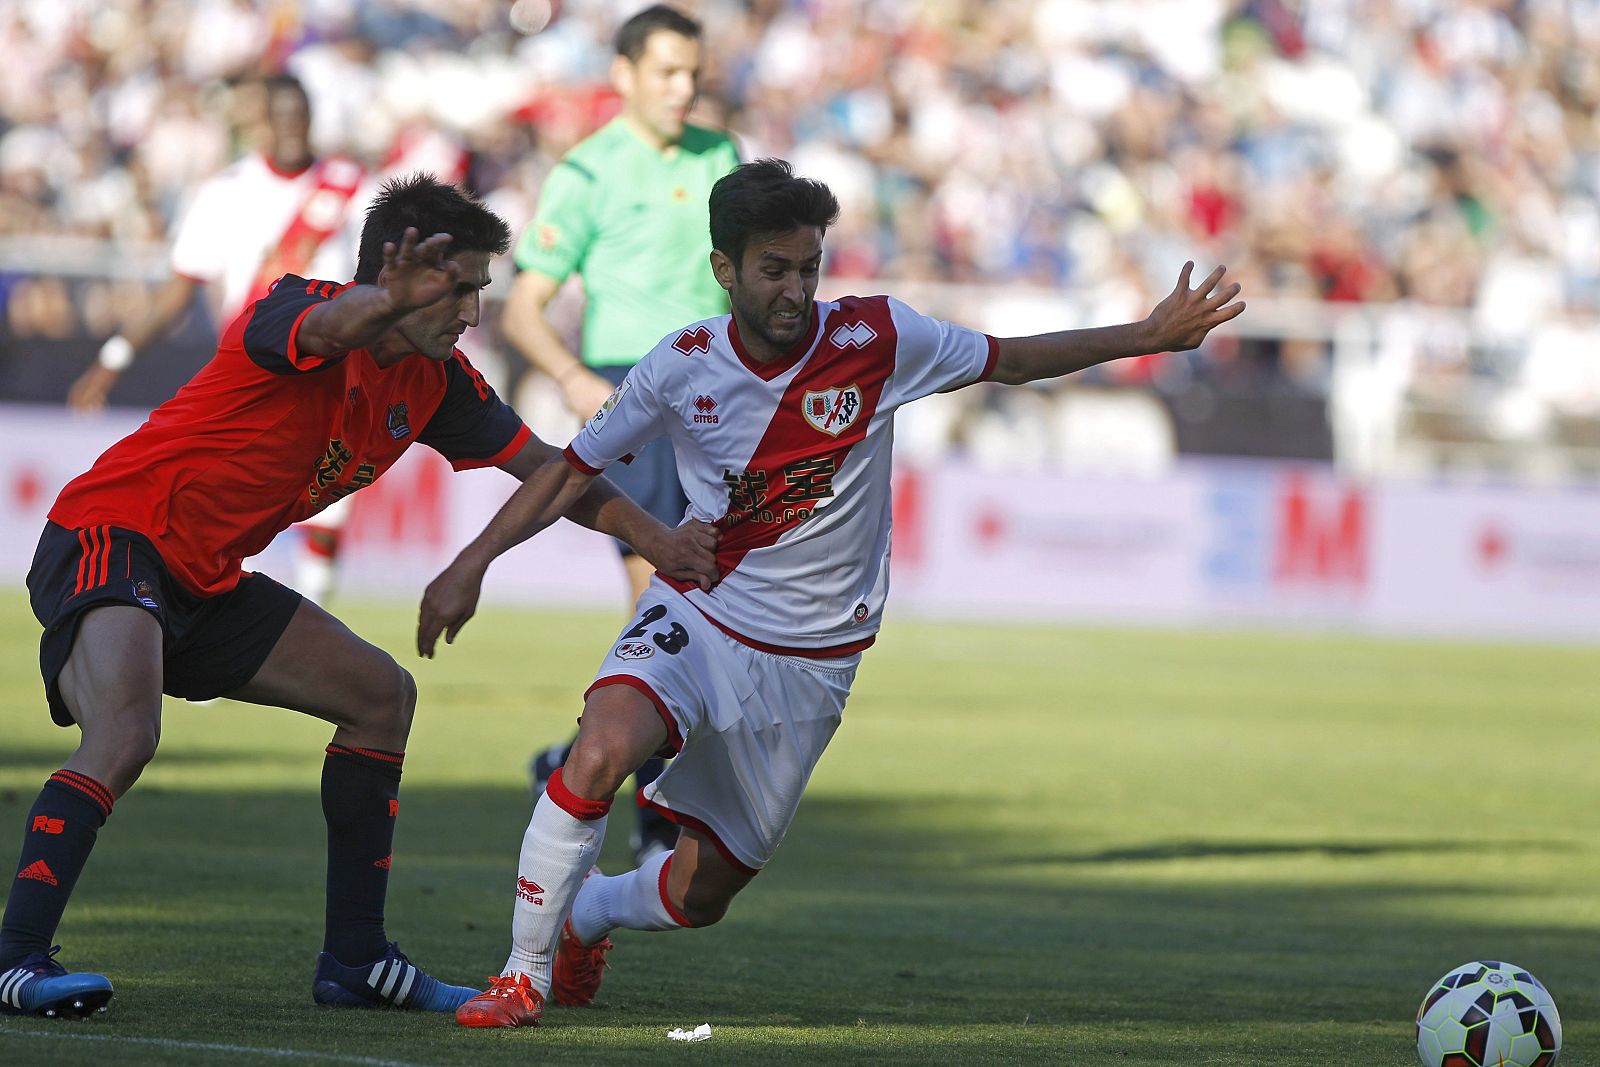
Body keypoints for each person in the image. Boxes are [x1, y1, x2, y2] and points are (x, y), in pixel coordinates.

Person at [416, 159, 1246, 1028]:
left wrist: (1147, 335)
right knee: (599, 750)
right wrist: (473, 562)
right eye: (774, 268)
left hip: (812, 661)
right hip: (699, 609)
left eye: (809, 266)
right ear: (725, 268)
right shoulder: (681, 365)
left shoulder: (881, 340)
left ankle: (588, 915)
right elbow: (566, 473)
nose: (795, 288)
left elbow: (1011, 360)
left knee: (703, 896)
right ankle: (521, 974)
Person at [0, 174, 719, 1020]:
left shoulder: (437, 379)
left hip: (206, 576)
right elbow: (327, 326)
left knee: (382, 696)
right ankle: (15, 960)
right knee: (124, 732)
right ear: (394, 269)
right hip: (114, 534)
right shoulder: (296, 304)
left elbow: (554, 469)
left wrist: (656, 538)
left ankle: (355, 960)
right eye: (459, 289)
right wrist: (382, 302)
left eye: (478, 292)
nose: (470, 315)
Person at [503, 3, 739, 865]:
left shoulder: (723, 159)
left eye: (694, 72)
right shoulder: (588, 171)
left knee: (706, 614)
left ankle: (573, 764)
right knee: (669, 609)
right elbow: (525, 309)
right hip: (636, 399)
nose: (685, 88)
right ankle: (653, 820)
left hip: (722, 405)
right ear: (625, 75)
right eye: (668, 72)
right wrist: (576, 382)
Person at [68, 74, 367, 607]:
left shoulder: (350, 186)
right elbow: (176, 294)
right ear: (262, 121)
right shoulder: (228, 193)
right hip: (258, 371)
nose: (292, 127)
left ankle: (317, 622)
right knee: (230, 505)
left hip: (339, 366)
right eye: (281, 115)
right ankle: (208, 636)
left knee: (332, 492)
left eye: (300, 115)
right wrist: (114, 357)